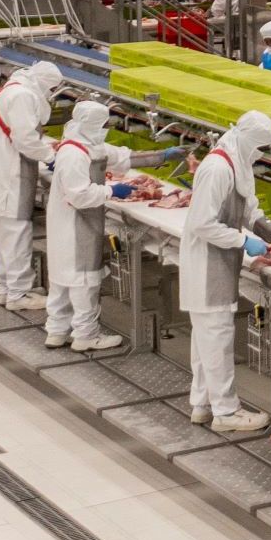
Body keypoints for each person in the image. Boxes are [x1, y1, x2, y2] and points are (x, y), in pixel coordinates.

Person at [179, 111, 271, 433]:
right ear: (249, 141)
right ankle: (226, 413)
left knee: (205, 342)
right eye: (261, 147)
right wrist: (245, 241)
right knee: (217, 339)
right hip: (206, 268)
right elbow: (203, 223)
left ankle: (202, 405)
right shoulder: (217, 168)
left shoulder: (236, 162)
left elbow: (249, 209)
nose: (262, 154)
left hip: (216, 265)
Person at [44, 101, 169, 353]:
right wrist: (112, 190)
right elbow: (78, 195)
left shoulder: (82, 144)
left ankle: (56, 331)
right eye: (102, 125)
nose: (104, 129)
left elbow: (120, 156)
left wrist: (163, 156)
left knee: (62, 279)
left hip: (68, 224)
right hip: (76, 224)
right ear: (90, 125)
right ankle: (86, 336)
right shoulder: (74, 155)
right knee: (83, 281)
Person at [0, 61, 65, 310]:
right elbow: (25, 138)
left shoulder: (11, 89)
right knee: (16, 234)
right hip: (9, 176)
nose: (50, 95)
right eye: (51, 89)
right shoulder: (23, 96)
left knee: (4, 236)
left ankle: (7, 288)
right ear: (44, 83)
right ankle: (19, 294)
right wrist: (50, 157)